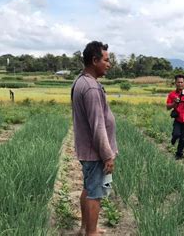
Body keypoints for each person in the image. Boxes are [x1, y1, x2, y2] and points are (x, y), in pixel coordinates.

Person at [71, 41, 117, 236]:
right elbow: (98, 127)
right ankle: (91, 233)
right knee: (95, 194)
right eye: (106, 60)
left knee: (88, 188)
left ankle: (85, 228)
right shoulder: (91, 88)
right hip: (94, 152)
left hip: (87, 150)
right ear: (94, 60)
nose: (109, 64)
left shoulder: (81, 81)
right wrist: (107, 155)